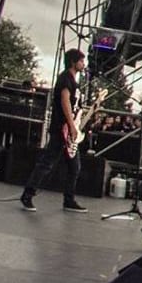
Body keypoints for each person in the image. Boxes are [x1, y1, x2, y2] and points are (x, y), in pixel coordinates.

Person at [20, 48, 86, 212]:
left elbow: (74, 106)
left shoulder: (74, 82)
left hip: (69, 130)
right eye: (81, 61)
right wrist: (71, 125)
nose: (83, 64)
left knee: (74, 167)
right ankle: (28, 194)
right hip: (60, 128)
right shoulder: (65, 79)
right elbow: (65, 102)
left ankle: (69, 199)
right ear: (73, 62)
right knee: (47, 163)